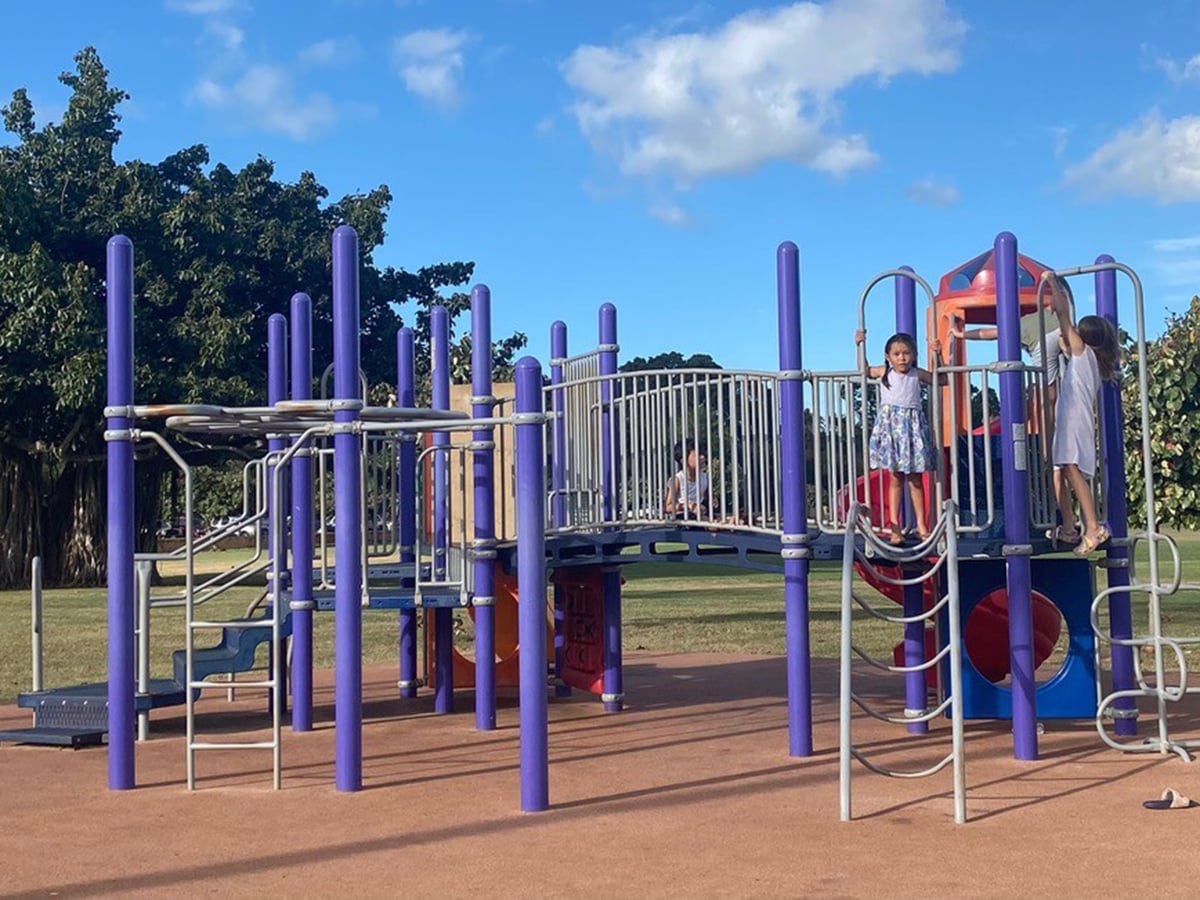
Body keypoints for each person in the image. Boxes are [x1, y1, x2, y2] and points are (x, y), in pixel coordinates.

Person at [1047, 280, 1120, 555]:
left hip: (1073, 419)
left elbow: (1065, 318)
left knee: (1071, 468)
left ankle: (1092, 527)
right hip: (1072, 417)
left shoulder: (1082, 352)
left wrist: (1054, 285)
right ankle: (1069, 526)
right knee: (1060, 471)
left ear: (1083, 336)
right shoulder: (1090, 359)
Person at [854, 331, 939, 543]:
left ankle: (922, 524)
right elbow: (863, 371)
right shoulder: (885, 373)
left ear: (914, 355)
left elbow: (940, 379)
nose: (902, 358)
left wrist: (937, 356)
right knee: (895, 478)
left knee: (916, 479)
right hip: (893, 429)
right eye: (897, 354)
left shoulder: (917, 374)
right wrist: (859, 346)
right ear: (888, 356)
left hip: (911, 429)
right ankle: (895, 527)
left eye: (906, 353)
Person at [950, 299, 1064, 455]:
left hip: (1044, 342)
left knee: (1046, 400)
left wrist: (961, 334)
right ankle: (1045, 450)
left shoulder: (1019, 325)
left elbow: (987, 333)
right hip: (1062, 331)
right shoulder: (1050, 314)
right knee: (1043, 398)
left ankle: (1046, 455)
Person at [663, 438, 711, 520]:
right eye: (698, 455)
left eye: (702, 454)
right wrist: (686, 505)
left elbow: (709, 499)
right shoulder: (678, 479)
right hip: (683, 518)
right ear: (683, 460)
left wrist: (713, 500)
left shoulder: (705, 478)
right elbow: (667, 507)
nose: (702, 457)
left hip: (701, 514)